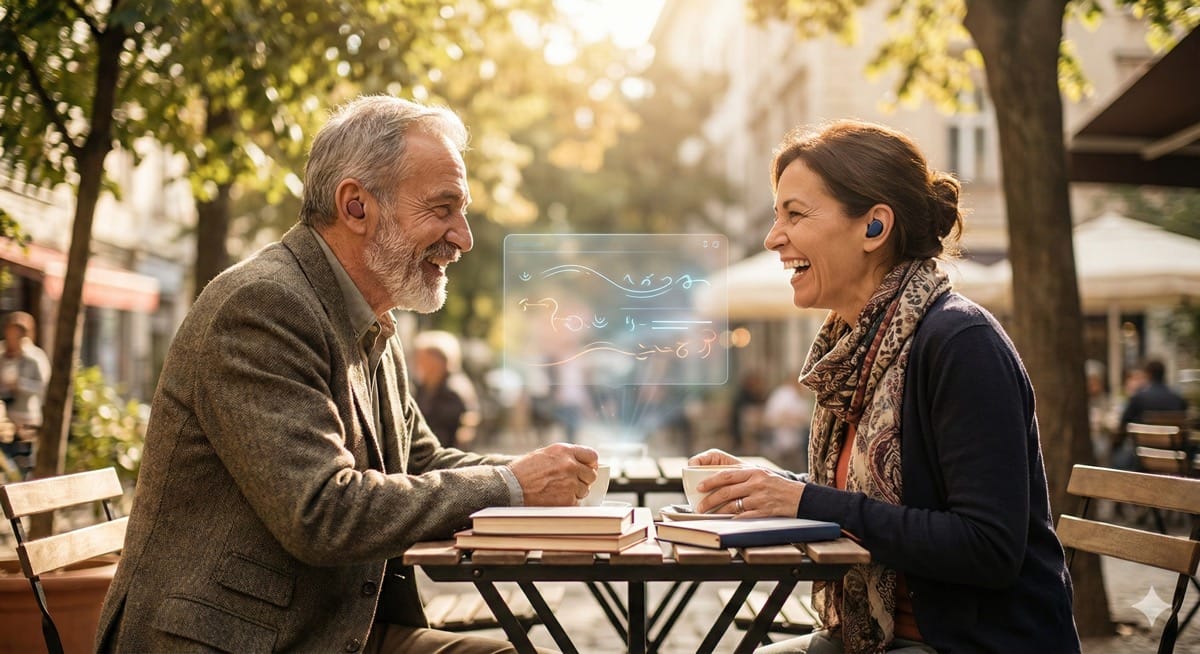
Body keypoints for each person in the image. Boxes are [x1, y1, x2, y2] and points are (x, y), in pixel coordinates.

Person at [96, 96, 597, 654]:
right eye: (443, 207)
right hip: (235, 641)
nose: (463, 236)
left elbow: (422, 463)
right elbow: (322, 512)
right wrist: (511, 486)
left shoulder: (371, 316)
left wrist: (541, 473)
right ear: (356, 206)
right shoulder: (262, 306)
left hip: (324, 629)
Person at [689, 120, 1080, 653]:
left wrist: (806, 500)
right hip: (877, 636)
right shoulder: (860, 350)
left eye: (795, 214)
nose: (772, 236)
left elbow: (988, 547)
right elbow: (880, 496)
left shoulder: (959, 342)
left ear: (874, 228)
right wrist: (768, 484)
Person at [0, 311, 50, 474]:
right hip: (5, 419)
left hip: (27, 419)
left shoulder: (35, 357)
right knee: (6, 463)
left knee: (23, 464)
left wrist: (20, 385)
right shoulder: (2, 355)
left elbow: (43, 387)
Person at [413, 330, 480, 449]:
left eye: (423, 358)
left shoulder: (455, 389)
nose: (419, 362)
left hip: (445, 455)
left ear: (439, 360)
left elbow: (466, 426)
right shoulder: (423, 386)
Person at [761, 371, 812, 473]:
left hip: (797, 437)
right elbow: (771, 419)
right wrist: (791, 420)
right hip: (781, 437)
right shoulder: (784, 394)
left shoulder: (800, 396)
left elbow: (805, 418)